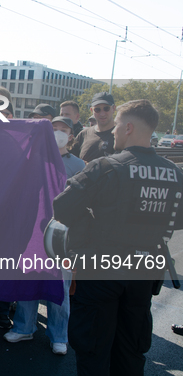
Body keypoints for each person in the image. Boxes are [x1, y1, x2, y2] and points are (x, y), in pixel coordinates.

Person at [53, 99, 183, 375]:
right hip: (145, 269)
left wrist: (89, 222)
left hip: (101, 267)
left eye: (116, 127)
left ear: (128, 127)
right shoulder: (175, 173)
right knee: (131, 346)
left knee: (93, 346)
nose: (112, 132)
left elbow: (62, 208)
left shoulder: (105, 167)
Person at [4, 116, 84, 356]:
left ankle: (59, 336)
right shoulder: (34, 160)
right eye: (54, 129)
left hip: (62, 235)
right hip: (33, 230)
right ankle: (24, 327)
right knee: (28, 280)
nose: (58, 133)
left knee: (60, 284)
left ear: (71, 136)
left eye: (63, 130)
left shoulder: (80, 166)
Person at [70, 92, 116, 162]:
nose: (102, 113)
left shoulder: (121, 134)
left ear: (113, 108)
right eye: (97, 109)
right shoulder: (83, 134)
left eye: (106, 108)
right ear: (91, 110)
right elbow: (71, 161)